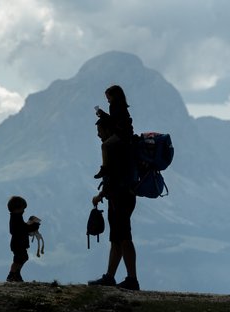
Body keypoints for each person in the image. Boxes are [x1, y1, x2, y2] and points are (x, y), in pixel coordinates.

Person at [88, 85, 140, 291]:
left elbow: (114, 176)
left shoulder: (117, 150)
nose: (99, 136)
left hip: (120, 197)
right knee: (117, 238)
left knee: (124, 238)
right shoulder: (122, 146)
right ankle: (110, 276)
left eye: (100, 132)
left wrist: (101, 193)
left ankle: (132, 279)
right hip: (119, 196)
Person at [7, 196, 40, 282]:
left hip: (18, 243)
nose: (23, 211)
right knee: (19, 258)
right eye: (22, 209)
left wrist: (30, 226)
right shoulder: (16, 218)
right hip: (18, 243)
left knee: (21, 258)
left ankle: (15, 273)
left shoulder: (16, 217)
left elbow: (22, 228)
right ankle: (13, 274)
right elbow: (21, 229)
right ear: (16, 209)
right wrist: (32, 226)